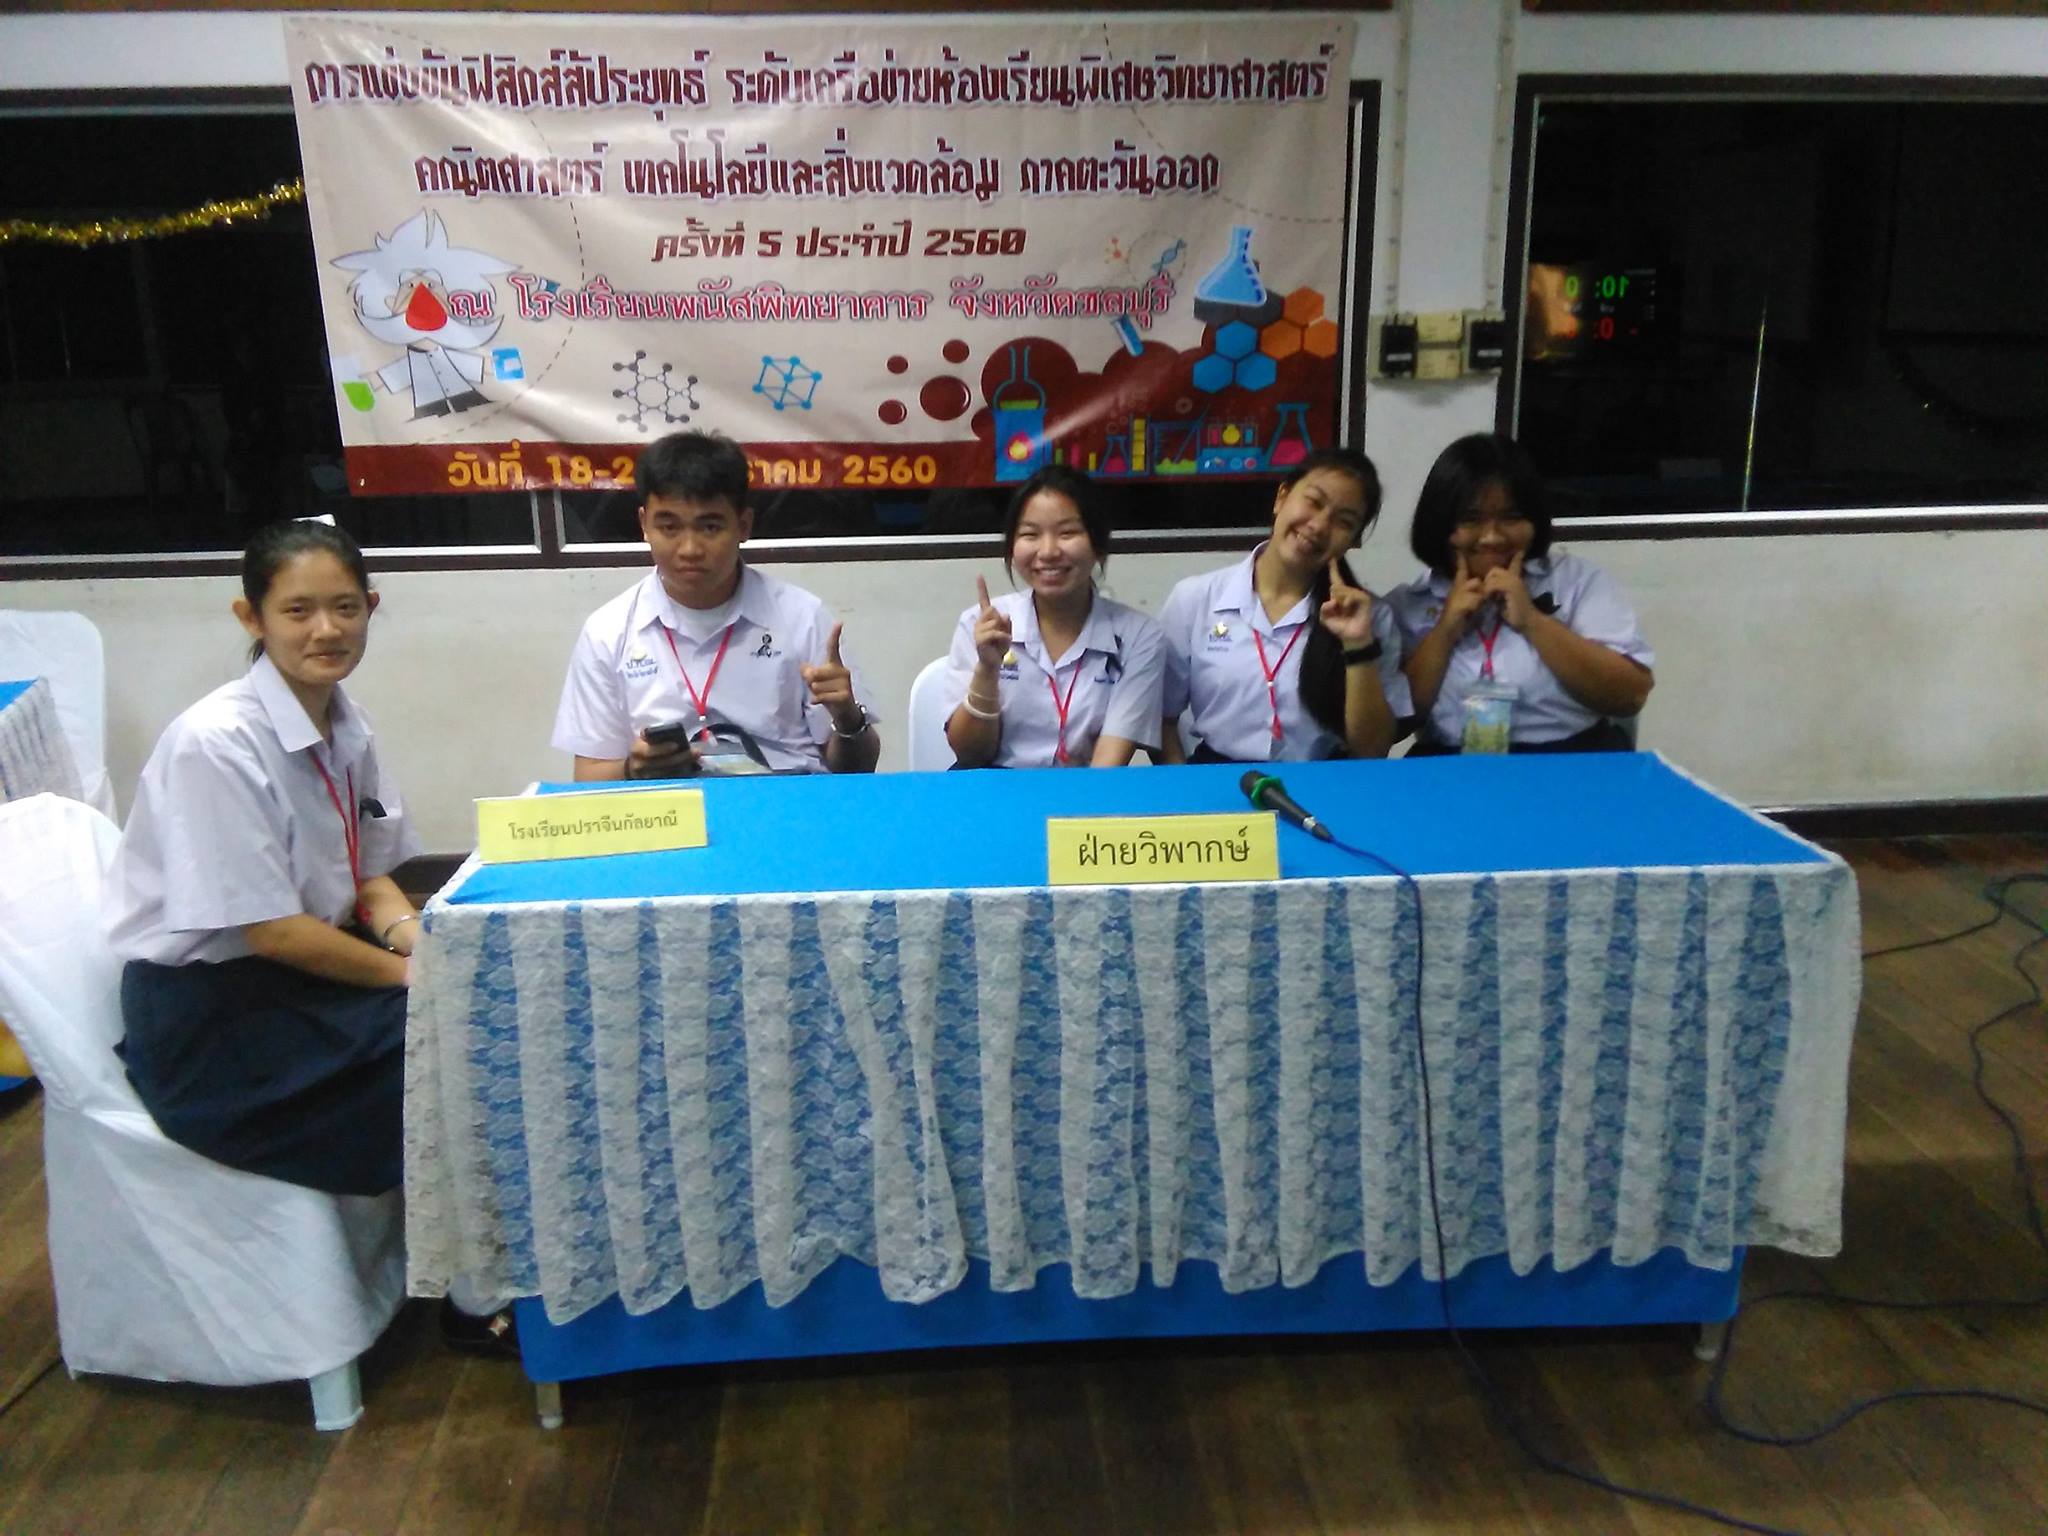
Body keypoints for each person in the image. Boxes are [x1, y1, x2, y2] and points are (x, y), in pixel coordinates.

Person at [103, 519, 514, 1354]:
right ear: (250, 617)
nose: (326, 630)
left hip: (297, 981)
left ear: (371, 608)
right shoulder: (217, 744)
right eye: (297, 611)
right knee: (459, 1043)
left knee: (490, 1008)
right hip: (217, 1025)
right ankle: (476, 1296)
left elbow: (368, 874)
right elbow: (271, 931)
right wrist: (414, 981)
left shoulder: (343, 724)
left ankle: (486, 1252)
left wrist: (415, 938)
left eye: (344, 608)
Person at [553, 431, 881, 778]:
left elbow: (859, 769)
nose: (690, 549)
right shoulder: (608, 632)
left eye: (709, 527)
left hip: (786, 797)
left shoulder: (802, 617)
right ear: (644, 525)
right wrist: (633, 770)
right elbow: (588, 777)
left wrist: (848, 719)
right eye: (669, 527)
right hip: (671, 802)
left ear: (743, 526)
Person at [1387, 433, 1653, 754]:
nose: (1492, 537)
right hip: (1452, 764)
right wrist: (1445, 631)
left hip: (1570, 758)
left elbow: (1630, 696)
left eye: (1511, 517)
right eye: (1471, 519)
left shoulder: (1577, 582)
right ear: (1441, 525)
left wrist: (1531, 620)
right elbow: (1391, 728)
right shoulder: (1408, 604)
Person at [1155, 448, 1410, 763]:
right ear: (1282, 497)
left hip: (1325, 780)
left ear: (1352, 540)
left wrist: (1357, 645)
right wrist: (1186, 785)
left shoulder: (1372, 618)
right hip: (1217, 778)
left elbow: (1372, 750)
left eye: (1344, 521)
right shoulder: (1195, 599)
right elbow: (1161, 718)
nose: (1319, 525)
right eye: (1314, 502)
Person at [943, 465, 1165, 769]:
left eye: (1067, 533)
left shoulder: (1138, 636)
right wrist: (987, 669)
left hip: (1086, 787)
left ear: (1098, 545)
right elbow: (970, 755)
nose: (1048, 551)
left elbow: (1108, 766)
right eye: (1030, 534)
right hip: (993, 786)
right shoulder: (980, 624)